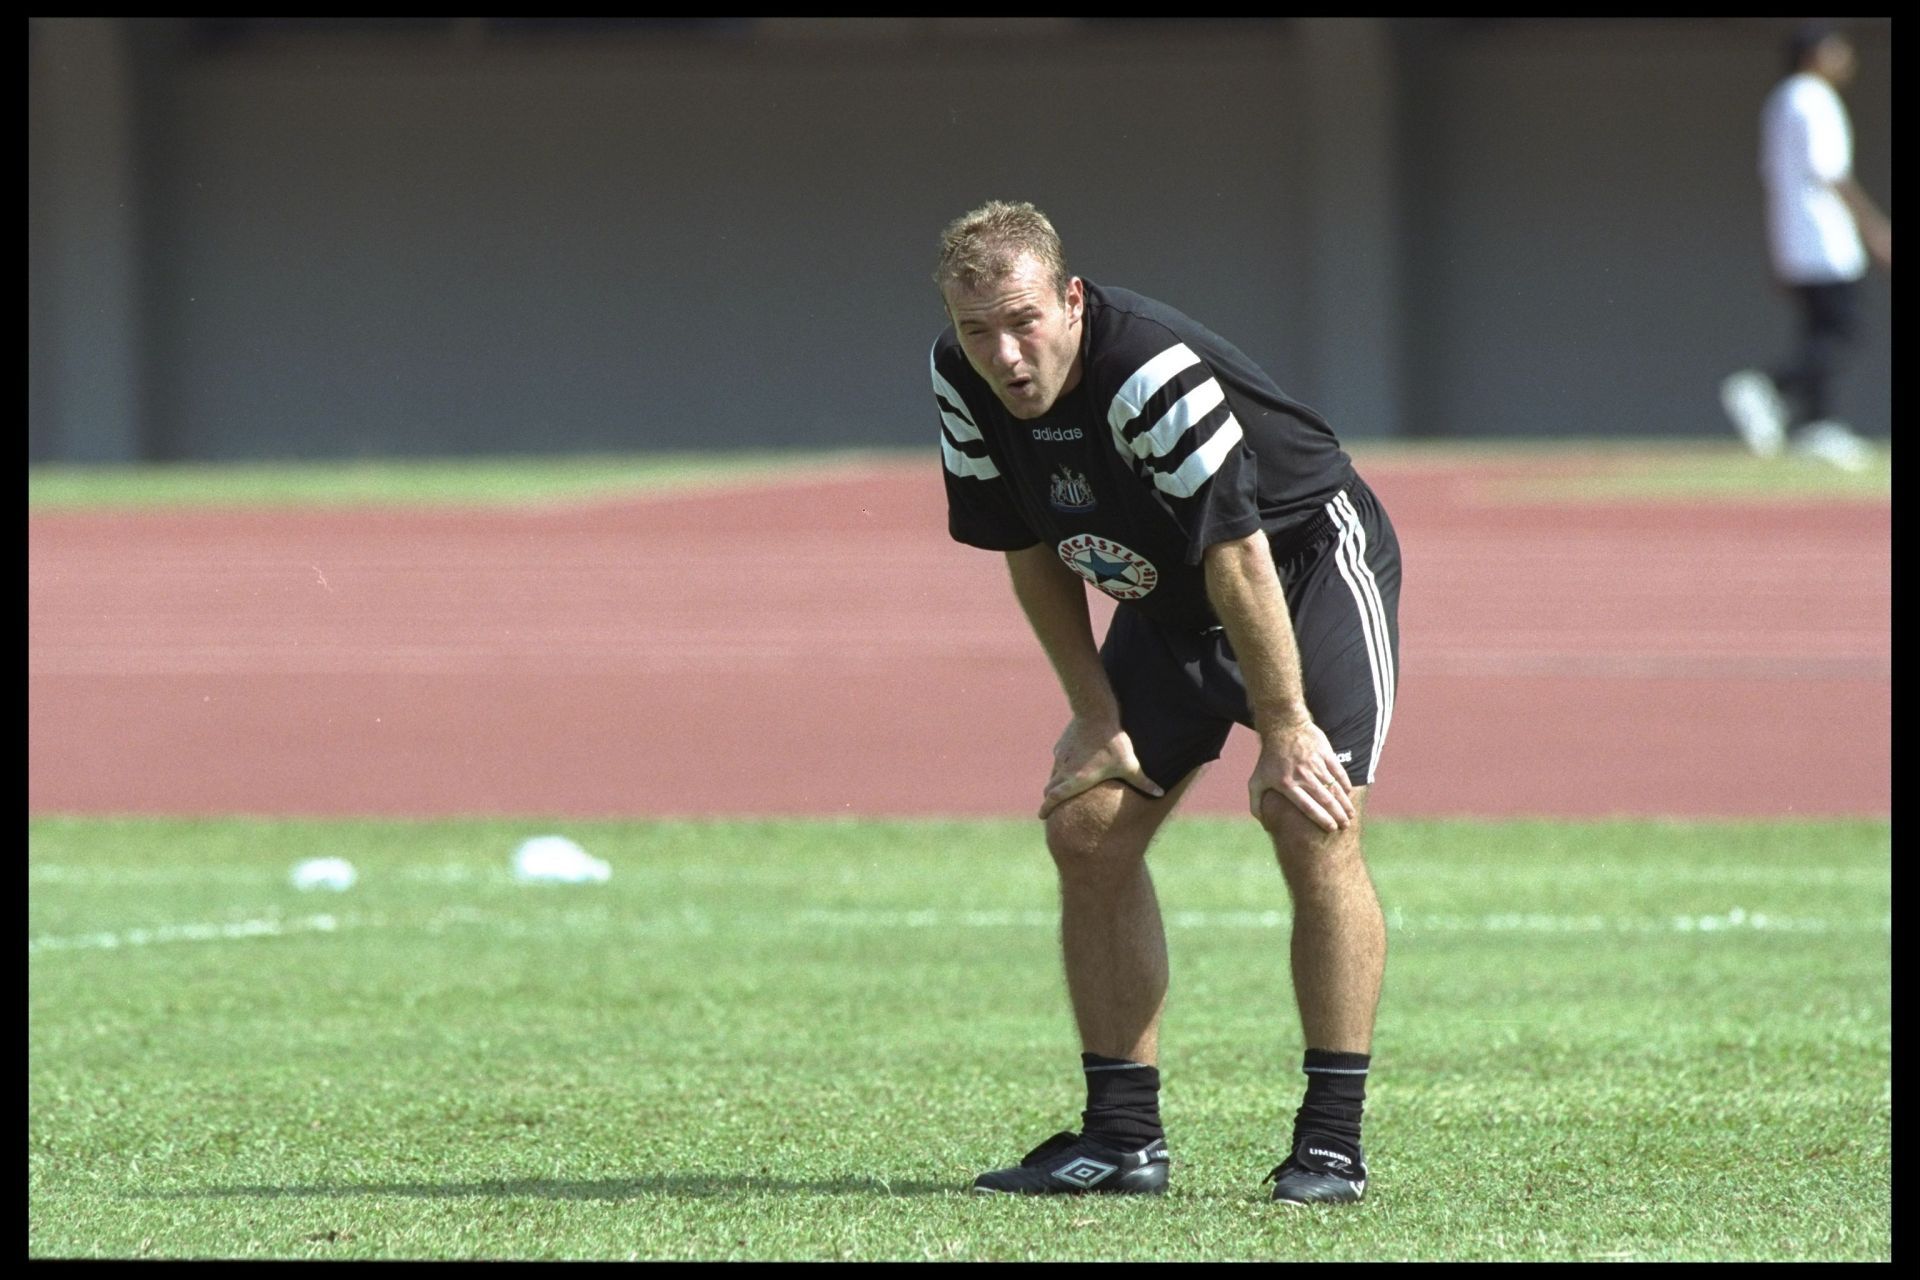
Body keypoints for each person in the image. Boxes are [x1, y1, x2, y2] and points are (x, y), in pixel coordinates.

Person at [930, 200, 1401, 1205]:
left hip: (1302, 562)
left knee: (1306, 812)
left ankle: (1329, 1143)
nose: (1006, 354)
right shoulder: (960, 378)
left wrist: (1284, 724)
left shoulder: (1148, 371)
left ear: (1070, 297)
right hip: (1167, 592)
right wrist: (1094, 706)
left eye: (1023, 321)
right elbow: (1027, 546)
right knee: (1089, 829)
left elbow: (1238, 555)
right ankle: (1122, 1137)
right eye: (979, 331)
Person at [1721, 21, 1891, 471]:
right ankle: (1769, 387)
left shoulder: (1781, 101)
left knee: (1818, 332)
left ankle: (1817, 426)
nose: (1846, 59)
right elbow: (1831, 171)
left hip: (1794, 236)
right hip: (1824, 235)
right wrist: (1874, 228)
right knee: (1843, 330)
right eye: (1837, 50)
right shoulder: (1814, 99)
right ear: (1814, 54)